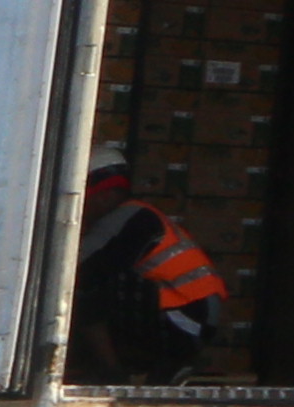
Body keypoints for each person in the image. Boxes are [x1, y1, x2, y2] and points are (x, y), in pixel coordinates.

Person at [68, 154, 228, 379]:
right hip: (189, 315)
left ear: (103, 194)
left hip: (183, 315)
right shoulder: (136, 215)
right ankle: (130, 367)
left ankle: (116, 370)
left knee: (86, 286)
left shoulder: (129, 218)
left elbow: (77, 266)